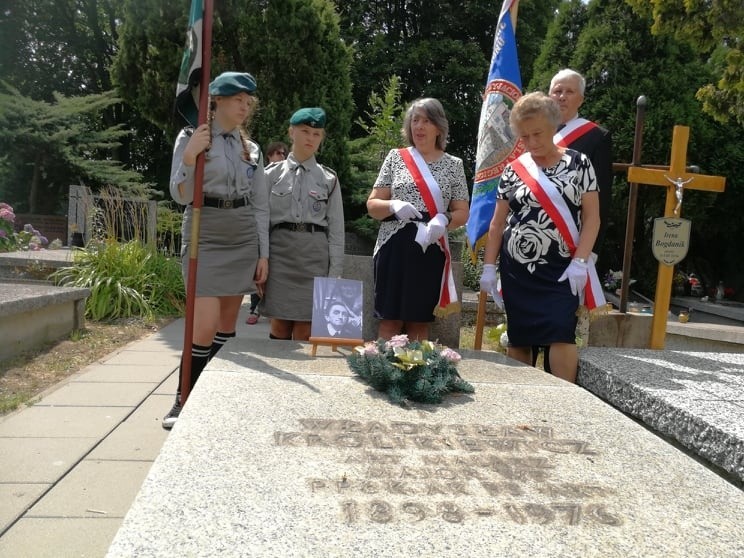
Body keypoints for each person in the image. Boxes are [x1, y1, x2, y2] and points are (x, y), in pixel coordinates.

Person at [163, 71, 269, 429]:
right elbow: (179, 194)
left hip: (241, 236)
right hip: (204, 231)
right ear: (217, 100)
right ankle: (183, 400)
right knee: (202, 328)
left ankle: (213, 399)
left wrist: (262, 253)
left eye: (247, 101)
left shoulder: (250, 148)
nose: (244, 106)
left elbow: (260, 205)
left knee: (226, 326)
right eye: (237, 99)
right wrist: (191, 157)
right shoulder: (192, 137)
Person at [479, 92, 601, 383]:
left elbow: (592, 218)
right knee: (520, 336)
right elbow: (497, 224)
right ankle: (522, 400)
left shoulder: (579, 163)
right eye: (524, 136)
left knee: (560, 332)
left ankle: (563, 402)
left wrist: (580, 262)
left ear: (554, 126)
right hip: (518, 270)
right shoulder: (513, 170)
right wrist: (488, 266)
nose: (531, 143)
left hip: (562, 268)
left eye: (538, 134)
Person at [366, 98, 469, 341]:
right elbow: (372, 205)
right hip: (394, 245)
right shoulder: (396, 157)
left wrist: (444, 220)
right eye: (415, 121)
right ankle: (381, 370)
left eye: (426, 121)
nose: (419, 127)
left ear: (438, 127)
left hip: (429, 247)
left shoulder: (454, 165)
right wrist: (392, 205)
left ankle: (416, 375)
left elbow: (462, 211)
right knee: (389, 319)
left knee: (419, 322)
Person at [532, 69, 614, 371]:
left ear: (580, 97)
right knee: (526, 325)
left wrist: (589, 253)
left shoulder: (595, 137)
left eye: (568, 91)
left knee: (559, 323)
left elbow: (602, 199)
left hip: (569, 245)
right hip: (530, 244)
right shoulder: (535, 132)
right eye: (556, 90)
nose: (561, 96)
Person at [259, 107, 344, 341]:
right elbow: (261, 222)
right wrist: (261, 259)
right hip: (280, 255)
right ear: (291, 133)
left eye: (317, 134)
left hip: (314, 258)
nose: (310, 138)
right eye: (305, 131)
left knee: (307, 329)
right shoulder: (270, 175)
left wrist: (335, 272)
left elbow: (336, 230)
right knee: (279, 324)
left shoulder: (329, 178)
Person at [246, 141, 288, 325]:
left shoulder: (289, 174)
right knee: (258, 269)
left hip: (278, 230)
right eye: (278, 153)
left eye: (284, 153)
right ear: (270, 155)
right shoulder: (264, 174)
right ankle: (254, 308)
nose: (282, 156)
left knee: (275, 272)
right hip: (263, 227)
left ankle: (273, 308)